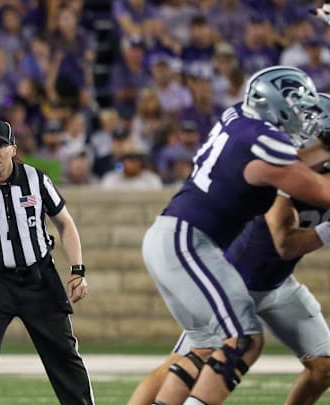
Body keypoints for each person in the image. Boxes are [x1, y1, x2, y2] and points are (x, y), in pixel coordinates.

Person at [140, 65, 330, 405]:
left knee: (202, 349)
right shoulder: (269, 146)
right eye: (300, 108)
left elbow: (304, 164)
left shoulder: (243, 119)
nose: (305, 120)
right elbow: (311, 194)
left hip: (190, 240)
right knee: (241, 341)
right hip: (195, 245)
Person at [0, 119, 94, 405]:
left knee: (63, 352)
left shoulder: (37, 180)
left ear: (13, 149)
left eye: (0, 145)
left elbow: (65, 223)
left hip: (40, 277)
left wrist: (77, 270)